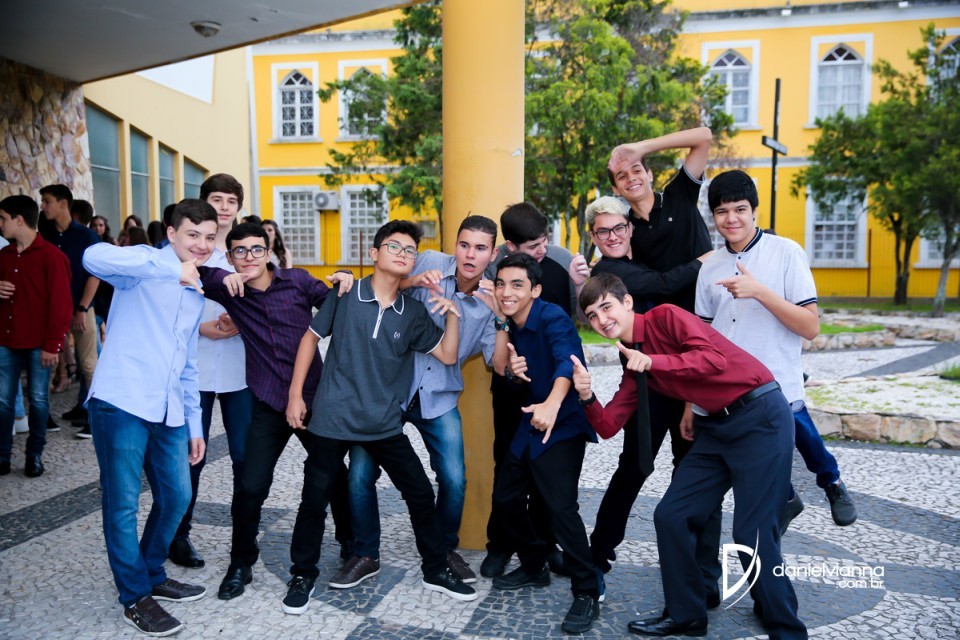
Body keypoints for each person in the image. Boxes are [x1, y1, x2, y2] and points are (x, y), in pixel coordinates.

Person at [574, 274, 807, 639]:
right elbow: (608, 426)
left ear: (627, 302)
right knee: (672, 515)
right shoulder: (633, 360)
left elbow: (713, 360)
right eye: (592, 315)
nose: (602, 319)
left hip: (759, 415)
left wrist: (653, 362)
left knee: (751, 533)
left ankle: (788, 631)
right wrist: (587, 396)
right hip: (715, 427)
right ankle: (687, 615)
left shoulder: (665, 316)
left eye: (607, 307)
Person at [283, 220, 476, 614]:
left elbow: (448, 355)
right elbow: (310, 338)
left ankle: (435, 568)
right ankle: (302, 573)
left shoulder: (412, 312)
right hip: (332, 419)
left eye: (409, 250)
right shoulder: (346, 293)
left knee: (420, 492)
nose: (403, 254)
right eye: (394, 246)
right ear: (374, 253)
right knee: (314, 499)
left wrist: (453, 315)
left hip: (383, 423)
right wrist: (295, 395)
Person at [339, 215, 504, 589]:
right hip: (390, 390)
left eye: (480, 248)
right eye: (464, 245)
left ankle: (442, 551)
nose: (470, 255)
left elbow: (496, 363)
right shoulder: (428, 261)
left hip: (441, 395)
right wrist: (413, 282)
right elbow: (384, 286)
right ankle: (365, 553)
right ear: (454, 244)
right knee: (360, 473)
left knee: (454, 478)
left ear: (492, 254)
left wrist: (501, 320)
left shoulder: (490, 299)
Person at [194, 223, 354, 602]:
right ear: (230, 256)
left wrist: (345, 276)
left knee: (335, 476)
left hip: (313, 399)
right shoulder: (229, 288)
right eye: (239, 251)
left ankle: (351, 546)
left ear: (269, 252)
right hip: (268, 403)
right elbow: (192, 270)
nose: (249, 257)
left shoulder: (296, 281)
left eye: (256, 249)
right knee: (250, 486)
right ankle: (241, 562)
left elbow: (338, 301)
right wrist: (221, 277)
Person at [83, 199, 222, 637]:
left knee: (178, 496)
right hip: (121, 401)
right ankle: (134, 596)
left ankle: (150, 571)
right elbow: (92, 256)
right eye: (193, 235)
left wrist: (195, 426)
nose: (201, 245)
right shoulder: (142, 266)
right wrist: (169, 268)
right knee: (122, 504)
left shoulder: (195, 290)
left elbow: (188, 365)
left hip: (169, 409)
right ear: (172, 234)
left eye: (209, 237)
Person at [695, 170, 857, 530]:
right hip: (729, 387)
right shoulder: (709, 269)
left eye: (740, 209)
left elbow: (810, 327)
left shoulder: (786, 253)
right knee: (753, 453)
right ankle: (786, 499)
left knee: (801, 431)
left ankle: (832, 482)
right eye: (722, 211)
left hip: (777, 378)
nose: (731, 219)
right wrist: (692, 403)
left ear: (755, 211)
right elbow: (702, 337)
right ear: (713, 216)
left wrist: (760, 292)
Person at [584, 195, 718, 584]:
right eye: (603, 231)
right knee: (634, 468)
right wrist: (706, 259)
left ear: (630, 229)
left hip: (684, 378)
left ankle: (703, 573)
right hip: (645, 381)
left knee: (693, 471)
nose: (612, 236)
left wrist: (691, 397)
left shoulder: (643, 257)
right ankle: (597, 557)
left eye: (618, 227)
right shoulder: (610, 271)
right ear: (593, 237)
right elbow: (667, 282)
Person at [491, 253, 600, 634]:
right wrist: (514, 374)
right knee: (505, 499)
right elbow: (505, 371)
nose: (506, 292)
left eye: (517, 285)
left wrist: (553, 405)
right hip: (531, 422)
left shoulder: (552, 316)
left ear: (535, 290)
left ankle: (587, 590)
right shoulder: (511, 322)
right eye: (501, 284)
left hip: (563, 424)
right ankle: (535, 564)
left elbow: (568, 362)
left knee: (560, 511)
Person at [481, 202, 590, 579]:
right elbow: (502, 358)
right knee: (507, 481)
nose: (542, 250)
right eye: (532, 246)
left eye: (544, 241)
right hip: (514, 393)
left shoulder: (558, 267)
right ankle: (505, 547)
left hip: (554, 399)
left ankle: (547, 552)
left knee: (554, 495)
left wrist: (554, 401)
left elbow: (571, 346)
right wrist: (511, 364)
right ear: (510, 247)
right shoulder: (497, 277)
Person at [168, 173, 252, 571]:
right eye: (217, 199)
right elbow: (168, 306)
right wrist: (202, 329)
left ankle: (244, 534)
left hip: (240, 371)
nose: (223, 207)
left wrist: (241, 322)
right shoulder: (186, 252)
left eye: (231, 201)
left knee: (244, 457)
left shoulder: (246, 249)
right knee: (192, 456)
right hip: (194, 370)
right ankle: (178, 534)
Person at [0, 195, 72, 477]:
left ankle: (34, 455)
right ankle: (3, 456)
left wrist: (53, 345)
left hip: (40, 345)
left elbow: (61, 305)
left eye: (3, 218)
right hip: (6, 341)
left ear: (19, 220)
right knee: (3, 401)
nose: (0, 224)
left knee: (39, 400)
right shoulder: (3, 256)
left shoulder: (52, 257)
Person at [39, 184, 100, 438]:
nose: (43, 206)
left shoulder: (87, 236)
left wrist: (82, 307)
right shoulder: (45, 234)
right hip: (52, 311)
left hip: (81, 309)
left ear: (63, 203)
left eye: (47, 201)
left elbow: (95, 275)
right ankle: (42, 417)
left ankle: (94, 418)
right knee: (45, 364)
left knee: (89, 365)